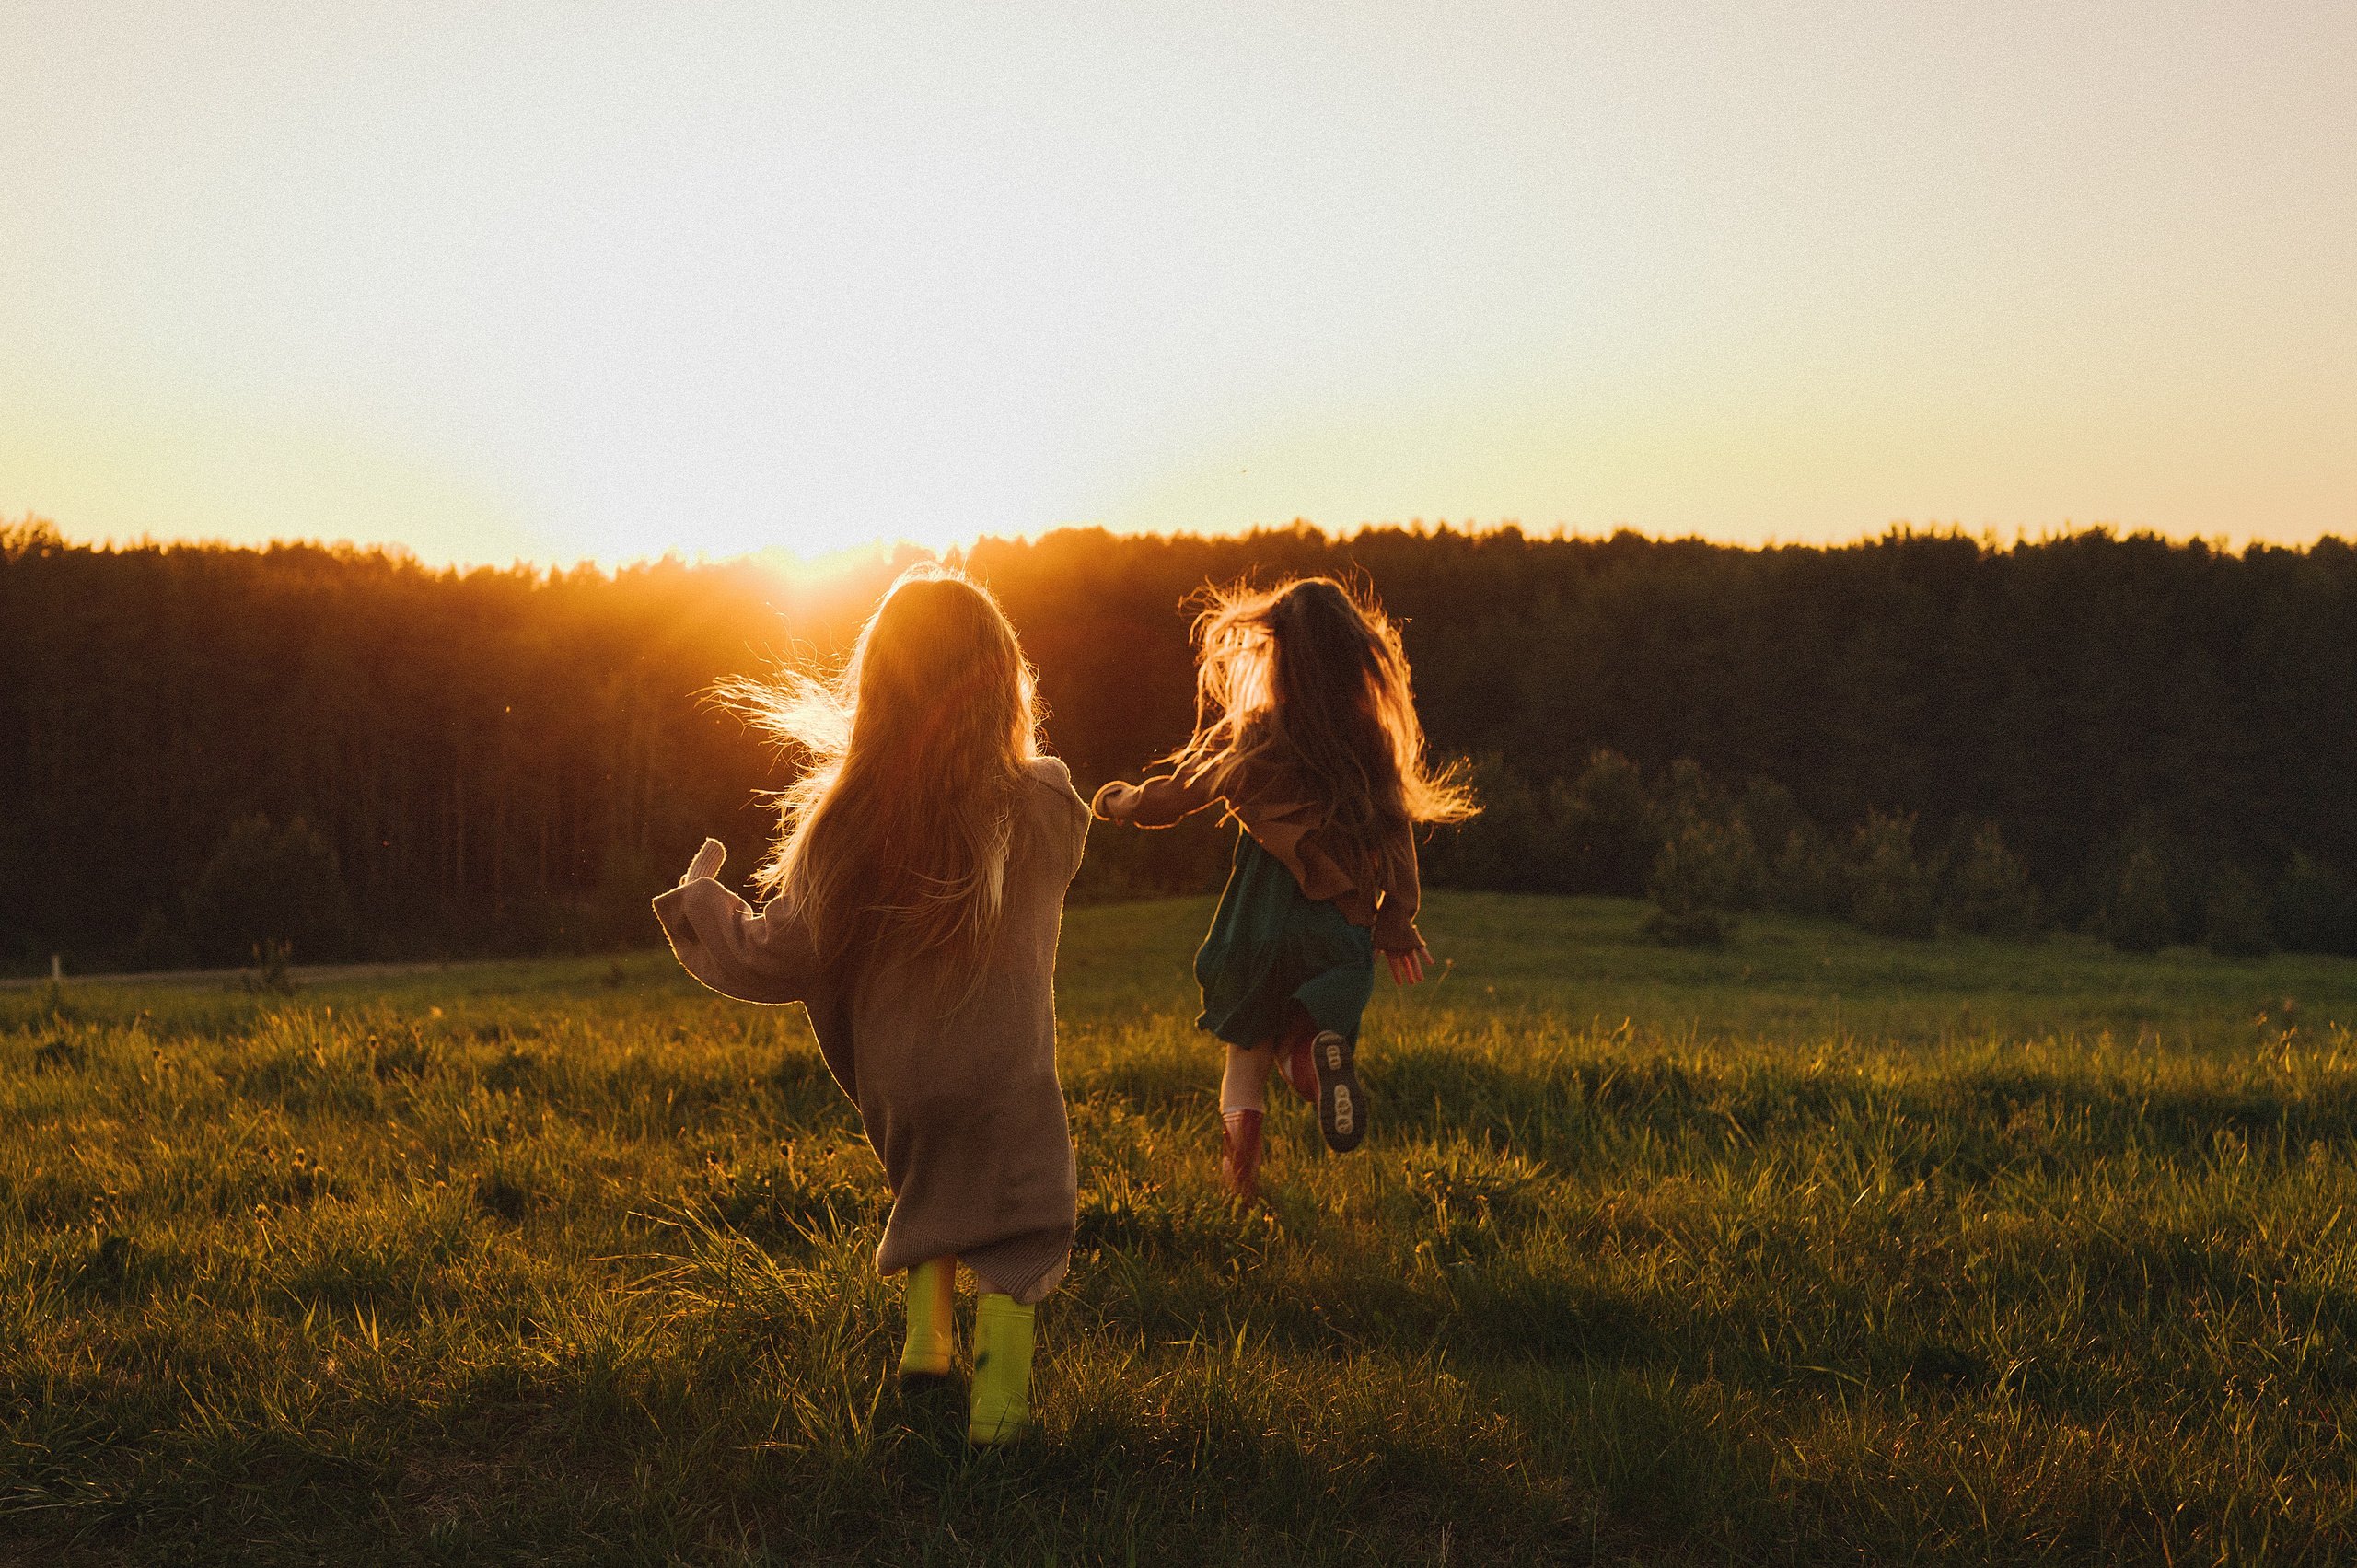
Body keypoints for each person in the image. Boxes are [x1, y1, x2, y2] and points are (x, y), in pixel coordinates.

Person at [653, 565, 1088, 1445]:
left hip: (902, 1086)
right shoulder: (1039, 804)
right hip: (1004, 1077)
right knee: (1020, 1217)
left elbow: (774, 953)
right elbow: (1069, 821)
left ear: (874, 689)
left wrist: (703, 896)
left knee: (928, 1180)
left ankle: (926, 1350)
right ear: (1003, 681)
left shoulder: (845, 825)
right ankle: (999, 1422)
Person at [1091, 576, 1476, 1203]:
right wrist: (1397, 919)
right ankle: (1318, 1075)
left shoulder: (1256, 733)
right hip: (1336, 922)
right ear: (1355, 656)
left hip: (1259, 921)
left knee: (1246, 1054)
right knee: (1308, 1040)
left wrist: (1125, 801)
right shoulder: (1370, 742)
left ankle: (1237, 1192)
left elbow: (1183, 790)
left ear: (1279, 653)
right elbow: (1398, 832)